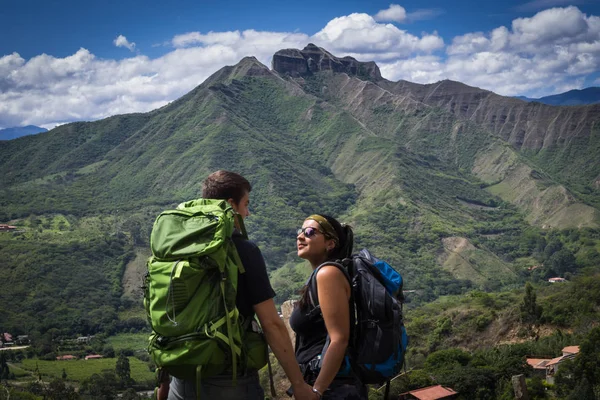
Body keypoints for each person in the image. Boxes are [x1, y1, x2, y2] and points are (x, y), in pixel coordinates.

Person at [163, 170, 316, 400]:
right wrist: (299, 384)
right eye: (245, 204)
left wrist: (163, 386)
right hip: (229, 379)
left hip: (180, 378)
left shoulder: (178, 250)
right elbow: (272, 324)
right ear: (230, 205)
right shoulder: (242, 250)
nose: (248, 213)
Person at [290, 214, 368, 399]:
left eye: (309, 232)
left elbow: (339, 339)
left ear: (330, 244)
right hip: (329, 384)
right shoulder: (320, 275)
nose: (300, 237)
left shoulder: (328, 274)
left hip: (334, 388)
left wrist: (317, 391)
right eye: (300, 231)